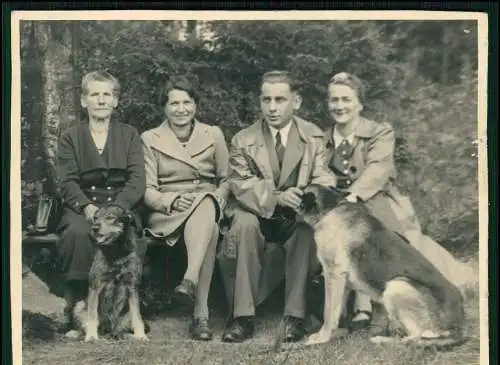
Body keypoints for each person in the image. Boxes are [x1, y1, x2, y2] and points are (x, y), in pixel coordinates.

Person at [320, 71, 469, 333]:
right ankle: (350, 309)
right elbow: (319, 174)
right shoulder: (322, 139)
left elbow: (378, 170)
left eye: (346, 99)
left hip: (376, 198)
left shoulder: (379, 132)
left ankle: (376, 310)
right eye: (334, 100)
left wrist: (353, 197)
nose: (340, 106)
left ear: (360, 104)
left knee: (377, 231)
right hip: (339, 209)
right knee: (335, 238)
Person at [218, 70, 337, 343]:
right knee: (243, 226)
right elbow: (241, 184)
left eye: (280, 100)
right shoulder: (242, 139)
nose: (272, 108)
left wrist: (304, 197)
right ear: (259, 102)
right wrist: (276, 197)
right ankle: (242, 317)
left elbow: (324, 178)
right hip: (257, 213)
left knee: (307, 232)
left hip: (296, 216)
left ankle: (295, 316)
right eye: (266, 99)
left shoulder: (314, 137)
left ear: (296, 102)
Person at [141, 75, 230, 341]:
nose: (181, 109)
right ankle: (200, 315)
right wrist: (169, 201)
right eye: (174, 103)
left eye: (187, 102)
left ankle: (189, 280)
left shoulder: (213, 134)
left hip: (207, 202)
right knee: (210, 230)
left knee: (206, 206)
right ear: (164, 107)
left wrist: (217, 197)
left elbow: (226, 179)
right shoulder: (150, 138)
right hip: (169, 211)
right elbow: (146, 188)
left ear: (196, 105)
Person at [56, 70, 146, 332]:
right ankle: (75, 305)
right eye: (94, 94)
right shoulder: (70, 137)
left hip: (120, 206)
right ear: (84, 101)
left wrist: (117, 208)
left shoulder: (129, 134)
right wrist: (86, 206)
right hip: (84, 205)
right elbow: (67, 181)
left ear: (116, 101)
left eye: (107, 94)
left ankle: (123, 309)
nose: (101, 100)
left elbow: (137, 179)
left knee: (125, 236)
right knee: (76, 233)